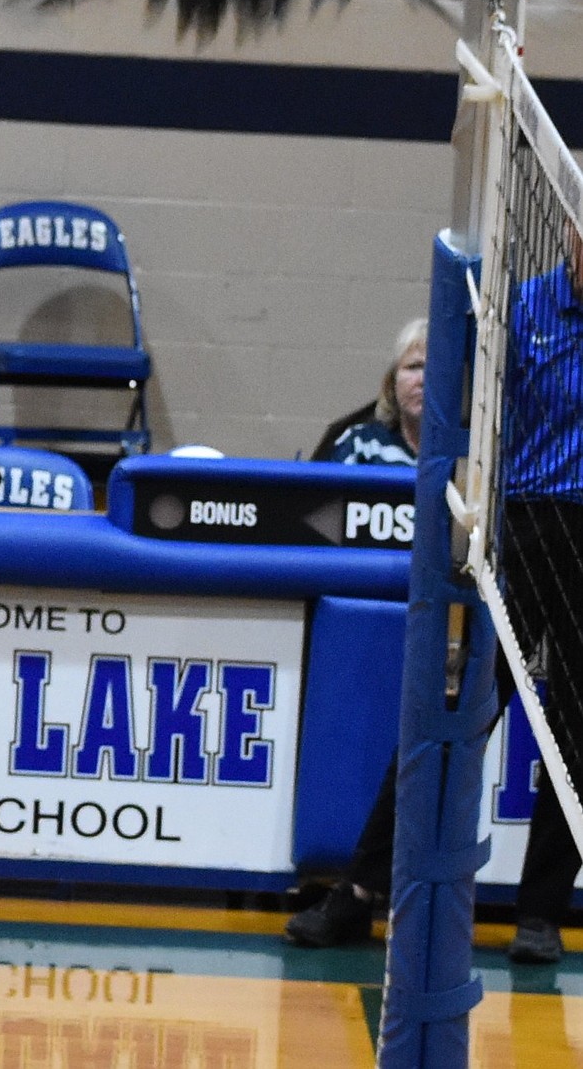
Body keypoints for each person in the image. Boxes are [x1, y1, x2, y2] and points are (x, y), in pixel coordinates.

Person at [287, 257, 583, 962]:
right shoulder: (522, 310)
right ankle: (360, 890)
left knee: (576, 732)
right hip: (523, 523)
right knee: (453, 711)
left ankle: (540, 914)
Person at [317, 318, 426, 466]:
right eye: (413, 366)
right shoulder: (361, 443)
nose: (423, 380)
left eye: (436, 370)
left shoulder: (460, 453)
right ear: (392, 381)